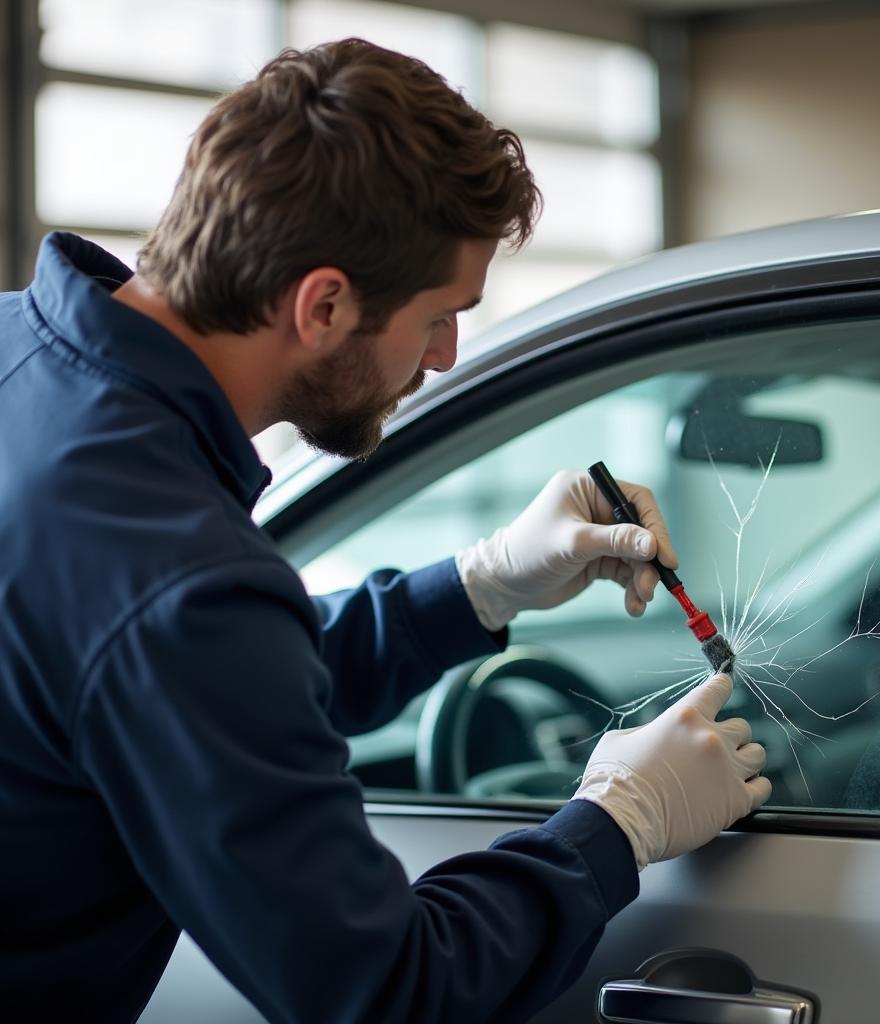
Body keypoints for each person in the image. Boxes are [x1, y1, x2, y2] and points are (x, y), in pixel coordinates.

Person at [0, 39, 769, 1024]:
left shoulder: (29, 358)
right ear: (324, 305)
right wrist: (616, 824)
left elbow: (173, 681)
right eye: (440, 316)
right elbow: (388, 990)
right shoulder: (172, 572)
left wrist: (481, 585)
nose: (445, 358)